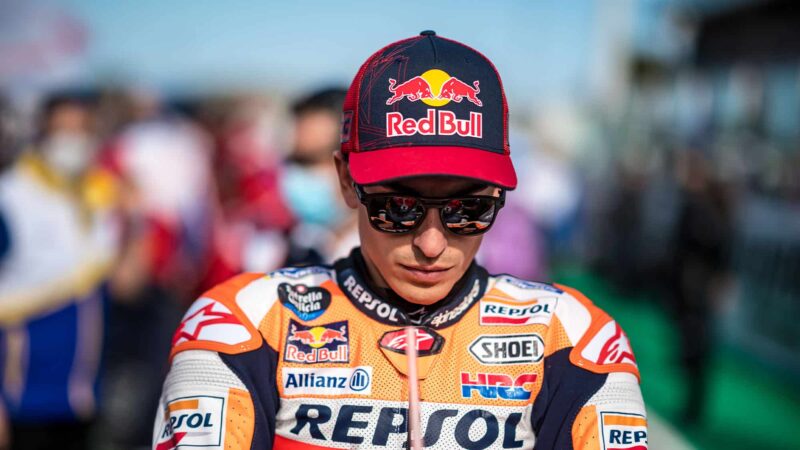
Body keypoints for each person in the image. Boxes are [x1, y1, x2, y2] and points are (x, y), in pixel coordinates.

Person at [153, 31, 647, 449]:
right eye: (398, 209)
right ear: (347, 182)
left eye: (468, 210)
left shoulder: (573, 336)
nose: (432, 243)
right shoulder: (245, 321)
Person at [0, 92, 118, 449]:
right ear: (40, 131)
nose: (72, 140)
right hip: (22, 398)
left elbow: (121, 281)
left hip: (84, 396)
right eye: (62, 129)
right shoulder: (10, 196)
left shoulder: (97, 194)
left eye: (81, 129)